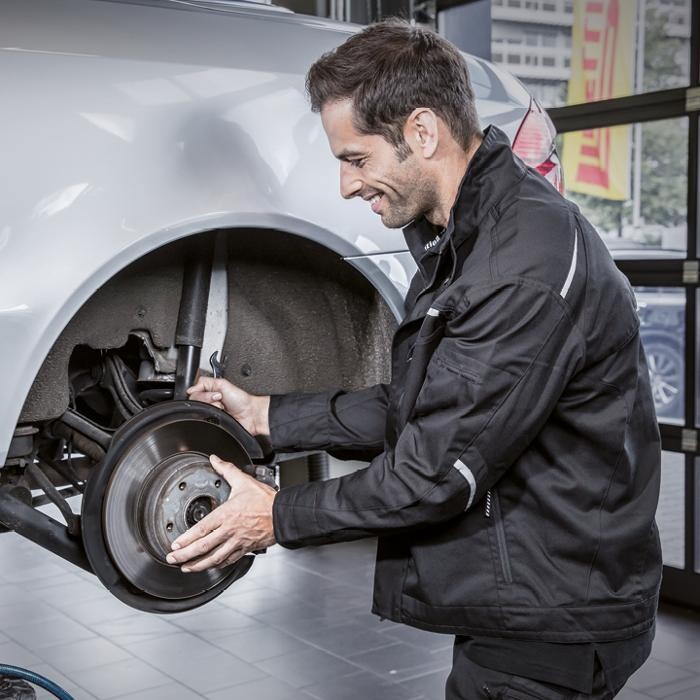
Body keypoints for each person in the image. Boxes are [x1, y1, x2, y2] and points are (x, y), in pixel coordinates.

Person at [165, 19, 662, 699]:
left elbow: (433, 475)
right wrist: (270, 416)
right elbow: (431, 405)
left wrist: (277, 515)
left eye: (356, 158)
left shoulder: (519, 265)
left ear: (422, 133)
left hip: (556, 624)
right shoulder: (468, 235)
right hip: (534, 597)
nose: (345, 186)